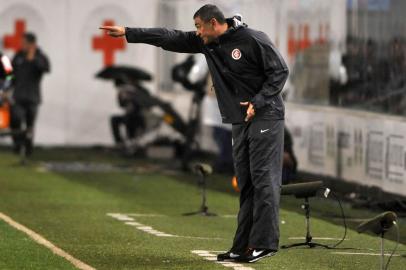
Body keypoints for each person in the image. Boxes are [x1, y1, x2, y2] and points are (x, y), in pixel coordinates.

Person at [100, 4, 288, 263]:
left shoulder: (254, 39)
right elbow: (169, 36)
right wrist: (129, 32)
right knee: (246, 183)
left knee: (263, 179)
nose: (196, 32)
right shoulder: (207, 43)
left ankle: (265, 243)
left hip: (266, 115)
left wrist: (260, 100)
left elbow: (280, 72)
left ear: (213, 23)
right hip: (239, 119)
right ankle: (242, 245)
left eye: (199, 26)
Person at [10, 32, 50, 155]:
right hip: (18, 96)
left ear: (32, 44)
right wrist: (6, 89)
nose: (22, 45)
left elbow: (46, 69)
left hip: (33, 97)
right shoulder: (18, 56)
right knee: (15, 120)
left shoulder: (41, 56)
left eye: (25, 43)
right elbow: (11, 74)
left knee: (30, 125)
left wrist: (33, 59)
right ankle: (18, 144)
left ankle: (28, 149)